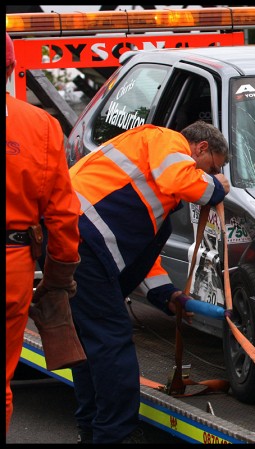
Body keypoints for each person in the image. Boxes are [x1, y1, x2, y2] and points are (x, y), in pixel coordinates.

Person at [67, 120, 231, 444]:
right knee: (111, 345)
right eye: (212, 167)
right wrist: (218, 187)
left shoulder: (156, 198)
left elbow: (146, 258)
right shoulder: (164, 139)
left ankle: (93, 429)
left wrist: (167, 295)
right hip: (83, 242)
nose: (210, 175)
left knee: (94, 346)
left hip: (76, 244)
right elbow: (181, 177)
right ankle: (113, 436)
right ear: (200, 148)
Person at [5, 32, 83, 433]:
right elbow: (63, 216)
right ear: (11, 68)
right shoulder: (41, 127)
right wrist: (58, 279)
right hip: (12, 268)